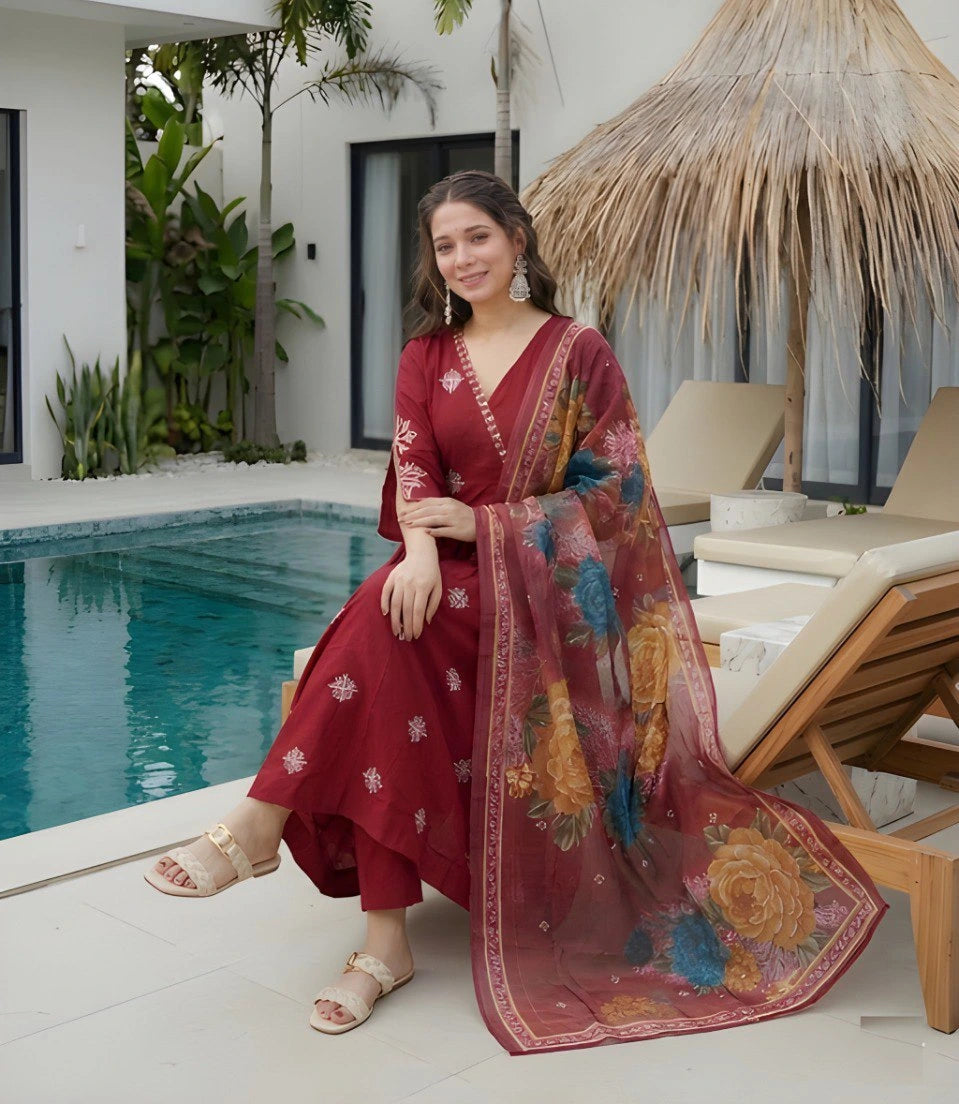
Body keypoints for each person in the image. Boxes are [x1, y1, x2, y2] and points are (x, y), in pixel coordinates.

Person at [145, 171, 886, 1053]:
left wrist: (488, 524)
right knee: (394, 622)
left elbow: (619, 495)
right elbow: (412, 469)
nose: (461, 259)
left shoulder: (579, 351)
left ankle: (284, 851)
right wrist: (421, 549)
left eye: (477, 239)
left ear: (517, 241)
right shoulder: (425, 355)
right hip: (443, 574)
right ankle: (375, 940)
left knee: (384, 637)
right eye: (444, 246)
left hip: (547, 598)